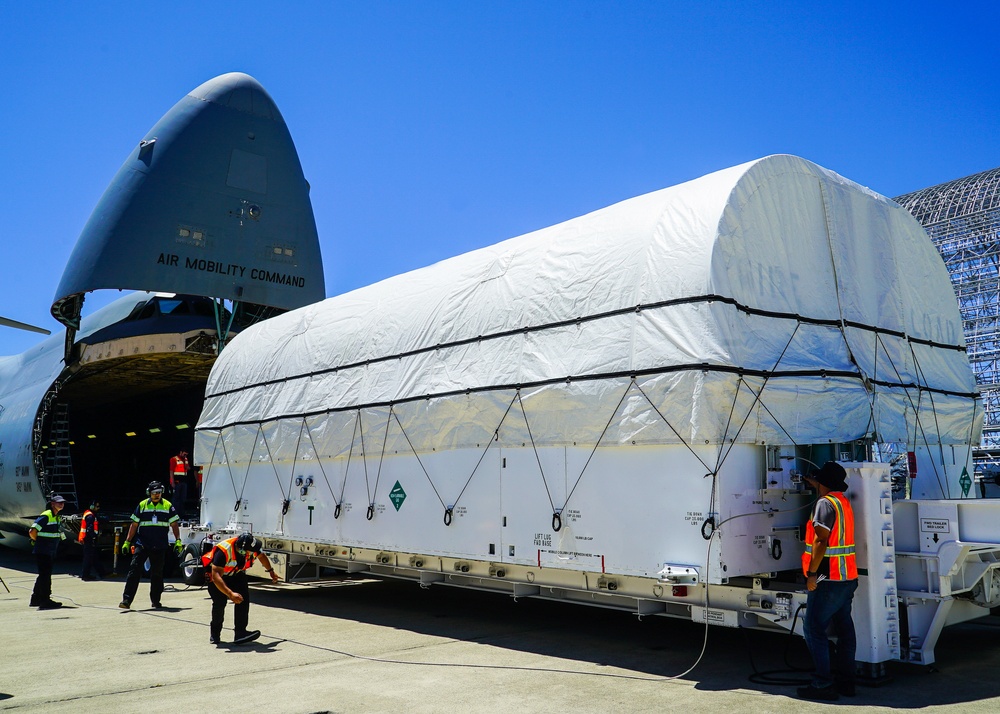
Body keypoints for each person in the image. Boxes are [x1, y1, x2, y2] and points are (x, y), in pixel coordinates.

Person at [798, 461, 858, 701]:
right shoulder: (841, 502)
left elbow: (821, 541)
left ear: (823, 482)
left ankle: (822, 684)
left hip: (828, 578)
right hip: (847, 577)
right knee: (845, 630)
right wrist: (815, 482)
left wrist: (812, 575)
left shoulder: (824, 504)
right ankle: (846, 682)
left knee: (813, 629)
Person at [202, 531, 279, 645]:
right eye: (252, 550)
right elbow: (216, 575)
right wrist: (230, 594)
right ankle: (215, 634)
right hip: (218, 578)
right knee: (220, 603)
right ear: (243, 550)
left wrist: (271, 571)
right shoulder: (223, 551)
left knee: (243, 600)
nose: (254, 552)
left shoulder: (251, 546)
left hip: (237, 574)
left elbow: (261, 556)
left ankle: (240, 633)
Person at [119, 481, 183, 610]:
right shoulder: (142, 505)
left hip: (159, 546)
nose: (157, 495)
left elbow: (174, 524)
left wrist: (178, 540)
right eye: (154, 493)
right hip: (142, 545)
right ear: (149, 493)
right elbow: (134, 525)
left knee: (157, 575)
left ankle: (156, 601)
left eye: (159, 492)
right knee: (134, 572)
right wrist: (127, 541)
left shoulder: (167, 506)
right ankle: (126, 600)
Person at [28, 494, 67, 609]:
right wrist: (39, 541)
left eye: (62, 502)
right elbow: (32, 531)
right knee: (46, 576)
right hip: (43, 550)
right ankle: (45, 600)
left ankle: (36, 598)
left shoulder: (56, 517)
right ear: (52, 504)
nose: (61, 504)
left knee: (43, 575)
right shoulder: (47, 515)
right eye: (59, 502)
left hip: (49, 550)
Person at [78, 499, 107, 580]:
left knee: (94, 558)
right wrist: (94, 537)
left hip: (88, 539)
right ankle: (85, 575)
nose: (98, 508)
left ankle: (102, 572)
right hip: (89, 540)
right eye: (97, 506)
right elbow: (89, 529)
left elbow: (98, 519)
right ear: (92, 507)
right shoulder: (90, 516)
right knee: (88, 558)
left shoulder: (90, 514)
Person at [169, 450, 190, 514]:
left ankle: (181, 513)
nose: (185, 456)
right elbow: (171, 471)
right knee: (176, 499)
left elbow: (188, 468)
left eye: (186, 455)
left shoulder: (186, 459)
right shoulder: (174, 459)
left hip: (184, 481)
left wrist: (187, 467)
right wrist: (172, 482)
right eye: (184, 454)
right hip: (177, 481)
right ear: (181, 452)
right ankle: (175, 513)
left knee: (183, 498)